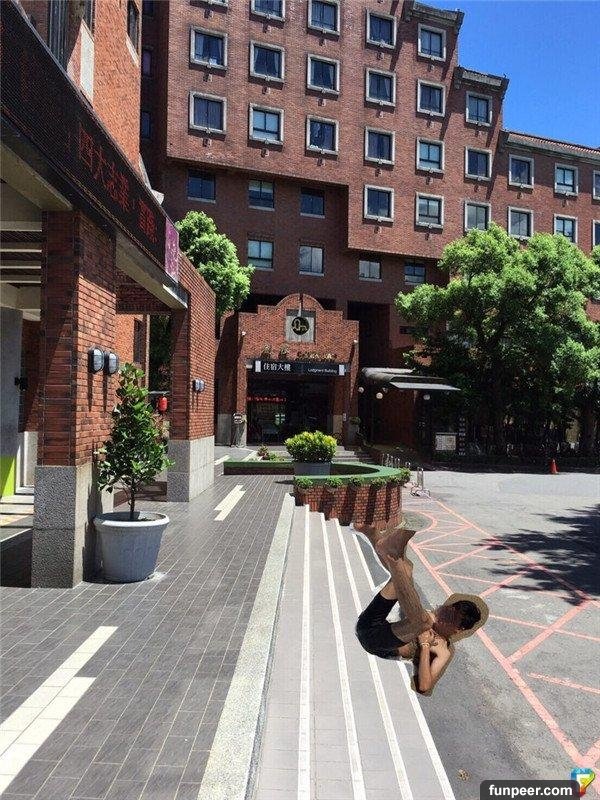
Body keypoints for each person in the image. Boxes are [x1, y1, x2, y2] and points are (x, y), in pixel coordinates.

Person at [354, 523, 488, 695]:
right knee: (406, 573)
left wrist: (424, 646)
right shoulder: (428, 616)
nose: (443, 616)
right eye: (448, 610)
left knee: (423, 621)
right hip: (369, 624)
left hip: (374, 644)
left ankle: (392, 554)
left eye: (450, 618)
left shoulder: (442, 651)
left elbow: (424, 686)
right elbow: (406, 594)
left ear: (458, 629)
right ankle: (374, 535)